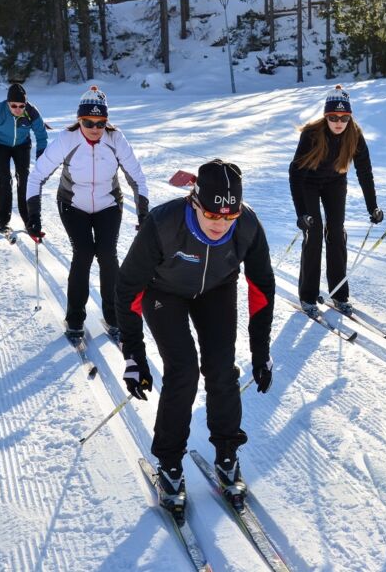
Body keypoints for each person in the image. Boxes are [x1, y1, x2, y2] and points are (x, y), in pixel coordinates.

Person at [115, 159, 275, 515]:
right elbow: (127, 289)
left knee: (221, 370)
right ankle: (170, 463)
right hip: (164, 292)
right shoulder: (163, 223)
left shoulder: (247, 225)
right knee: (183, 372)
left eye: (229, 217)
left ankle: (227, 454)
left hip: (216, 290)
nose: (221, 225)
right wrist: (133, 354)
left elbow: (262, 288)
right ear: (195, 203)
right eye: (213, 216)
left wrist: (261, 351)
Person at [25, 86, 149, 339]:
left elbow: (137, 178)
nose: (94, 128)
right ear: (78, 120)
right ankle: (74, 318)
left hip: (108, 203)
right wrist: (33, 215)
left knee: (107, 255)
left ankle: (114, 317)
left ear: (107, 122)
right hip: (73, 203)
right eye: (88, 122)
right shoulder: (67, 139)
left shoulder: (116, 140)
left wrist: (143, 214)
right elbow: (36, 176)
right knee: (83, 253)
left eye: (100, 123)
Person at [288, 84, 383, 317]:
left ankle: (339, 294)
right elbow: (295, 173)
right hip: (308, 182)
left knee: (337, 233)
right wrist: (301, 213)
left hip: (335, 183)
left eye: (344, 117)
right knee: (314, 233)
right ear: (326, 116)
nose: (338, 122)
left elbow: (365, 172)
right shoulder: (311, 134)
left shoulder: (355, 135)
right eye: (333, 117)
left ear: (350, 117)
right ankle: (308, 296)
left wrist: (373, 206)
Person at [0, 83, 48, 234]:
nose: (18, 109)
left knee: (24, 178)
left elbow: (41, 135)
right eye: (13, 106)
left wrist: (41, 156)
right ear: (8, 103)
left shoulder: (31, 112)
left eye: (21, 106)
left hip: (21, 144)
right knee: (4, 178)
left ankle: (28, 220)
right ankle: (3, 220)